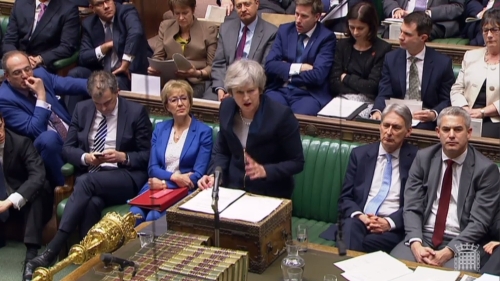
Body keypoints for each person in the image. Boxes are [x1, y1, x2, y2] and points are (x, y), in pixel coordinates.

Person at [26, 71, 152, 279]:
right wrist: (86, 157)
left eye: (108, 103)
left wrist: (123, 156)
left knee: (85, 182)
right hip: (94, 175)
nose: (103, 109)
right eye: (98, 104)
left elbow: (147, 155)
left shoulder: (135, 112)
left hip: (125, 176)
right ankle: (90, 263)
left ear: (117, 92)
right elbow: (68, 148)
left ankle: (52, 251)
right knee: (92, 202)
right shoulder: (82, 109)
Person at [391, 106, 500, 269]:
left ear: (469, 132)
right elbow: (412, 206)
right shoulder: (423, 158)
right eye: (446, 129)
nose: (451, 135)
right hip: (424, 236)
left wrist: (449, 250)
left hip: (464, 242)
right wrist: (415, 243)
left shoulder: (486, 170)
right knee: (394, 270)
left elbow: (479, 222)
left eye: (458, 129)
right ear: (438, 132)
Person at [198, 59, 304, 199]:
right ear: (231, 92)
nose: (246, 98)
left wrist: (266, 170)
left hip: (270, 193)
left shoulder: (281, 115)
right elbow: (222, 151)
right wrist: (215, 176)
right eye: (240, 92)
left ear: (260, 89)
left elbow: (297, 162)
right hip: (232, 190)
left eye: (251, 91)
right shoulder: (226, 108)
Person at [333, 104, 418, 253]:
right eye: (386, 125)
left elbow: (417, 203)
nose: (389, 132)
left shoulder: (418, 160)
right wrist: (362, 217)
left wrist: (389, 222)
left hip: (392, 228)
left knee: (363, 241)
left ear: (408, 131)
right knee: (351, 228)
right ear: (380, 126)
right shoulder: (359, 155)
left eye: (396, 127)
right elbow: (345, 198)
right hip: (359, 221)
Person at [0, 51, 88, 188]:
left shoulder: (40, 75)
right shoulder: (4, 99)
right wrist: (41, 95)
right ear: (7, 76)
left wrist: (101, 86)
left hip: (70, 136)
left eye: (27, 69)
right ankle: (69, 186)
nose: (25, 76)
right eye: (17, 73)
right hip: (41, 151)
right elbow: (35, 130)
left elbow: (69, 83)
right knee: (48, 138)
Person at [130, 80, 213, 225]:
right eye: (174, 100)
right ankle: (136, 248)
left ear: (190, 102)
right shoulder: (160, 129)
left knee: (153, 218)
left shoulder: (203, 132)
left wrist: (164, 184)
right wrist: (174, 176)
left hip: (182, 191)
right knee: (134, 215)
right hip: (155, 187)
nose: (180, 103)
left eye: (184, 98)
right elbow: (152, 169)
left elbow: (197, 175)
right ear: (167, 106)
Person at [66, 0, 152, 114]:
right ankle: (71, 123)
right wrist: (104, 47)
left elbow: (135, 32)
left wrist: (126, 61)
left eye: (108, 1)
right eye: (100, 4)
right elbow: (83, 57)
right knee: (74, 75)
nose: (106, 6)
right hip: (102, 72)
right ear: (92, 8)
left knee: (113, 82)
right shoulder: (89, 24)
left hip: (128, 74)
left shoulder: (126, 11)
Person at [371, 12, 454, 131]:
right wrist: (377, 111)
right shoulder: (391, 59)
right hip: (396, 116)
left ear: (423, 37)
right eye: (401, 31)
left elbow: (446, 99)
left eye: (407, 34)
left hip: (424, 120)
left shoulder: (442, 63)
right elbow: (384, 92)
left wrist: (433, 113)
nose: (400, 37)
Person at [0, 113, 53, 281]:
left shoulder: (21, 143)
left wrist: (9, 202)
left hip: (28, 205)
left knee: (37, 189)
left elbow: (38, 176)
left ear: (3, 122)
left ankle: (31, 257)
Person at [264, 0, 337, 116]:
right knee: (269, 113)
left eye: (304, 16)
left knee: (300, 120)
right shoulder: (284, 31)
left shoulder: (326, 38)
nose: (298, 20)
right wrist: (299, 68)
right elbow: (269, 65)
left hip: (308, 94)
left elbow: (318, 76)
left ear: (317, 16)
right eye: (297, 14)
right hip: (280, 90)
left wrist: (286, 72)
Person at [329, 2, 392, 118]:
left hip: (368, 101)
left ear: (371, 27)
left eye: (360, 28)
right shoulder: (343, 45)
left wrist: (346, 78)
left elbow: (373, 86)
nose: (355, 32)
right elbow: (334, 82)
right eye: (352, 27)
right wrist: (360, 85)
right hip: (341, 99)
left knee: (355, 119)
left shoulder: (383, 49)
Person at [148, 0, 218, 98]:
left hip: (196, 81)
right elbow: (158, 56)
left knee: (181, 98)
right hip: (170, 80)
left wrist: (197, 73)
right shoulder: (165, 27)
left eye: (185, 13)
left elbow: (213, 66)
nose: (181, 18)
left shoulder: (208, 29)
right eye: (177, 13)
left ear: (193, 10)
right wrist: (154, 67)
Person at [210, 0, 277, 101]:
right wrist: (220, 89)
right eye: (239, 6)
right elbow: (219, 63)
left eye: (247, 4)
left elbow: (263, 69)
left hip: (251, 87)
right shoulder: (226, 28)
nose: (243, 9)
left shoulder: (271, 32)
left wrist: (238, 91)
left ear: (257, 4)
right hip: (225, 85)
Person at [451, 8, 500, 139]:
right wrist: (464, 108)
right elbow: (456, 88)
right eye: (485, 30)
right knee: (448, 130)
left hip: (495, 118)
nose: (489, 35)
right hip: (465, 114)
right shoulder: (471, 56)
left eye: (494, 30)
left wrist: (483, 112)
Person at [2, 0, 80, 72]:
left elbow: (67, 46)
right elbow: (9, 40)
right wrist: (18, 59)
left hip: (41, 64)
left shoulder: (68, 9)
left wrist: (40, 59)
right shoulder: (21, 3)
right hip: (16, 58)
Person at [382, 0, 464, 40]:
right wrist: (396, 10)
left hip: (433, 21)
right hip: (402, 19)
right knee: (390, 32)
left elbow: (457, 7)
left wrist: (427, 14)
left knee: (417, 33)